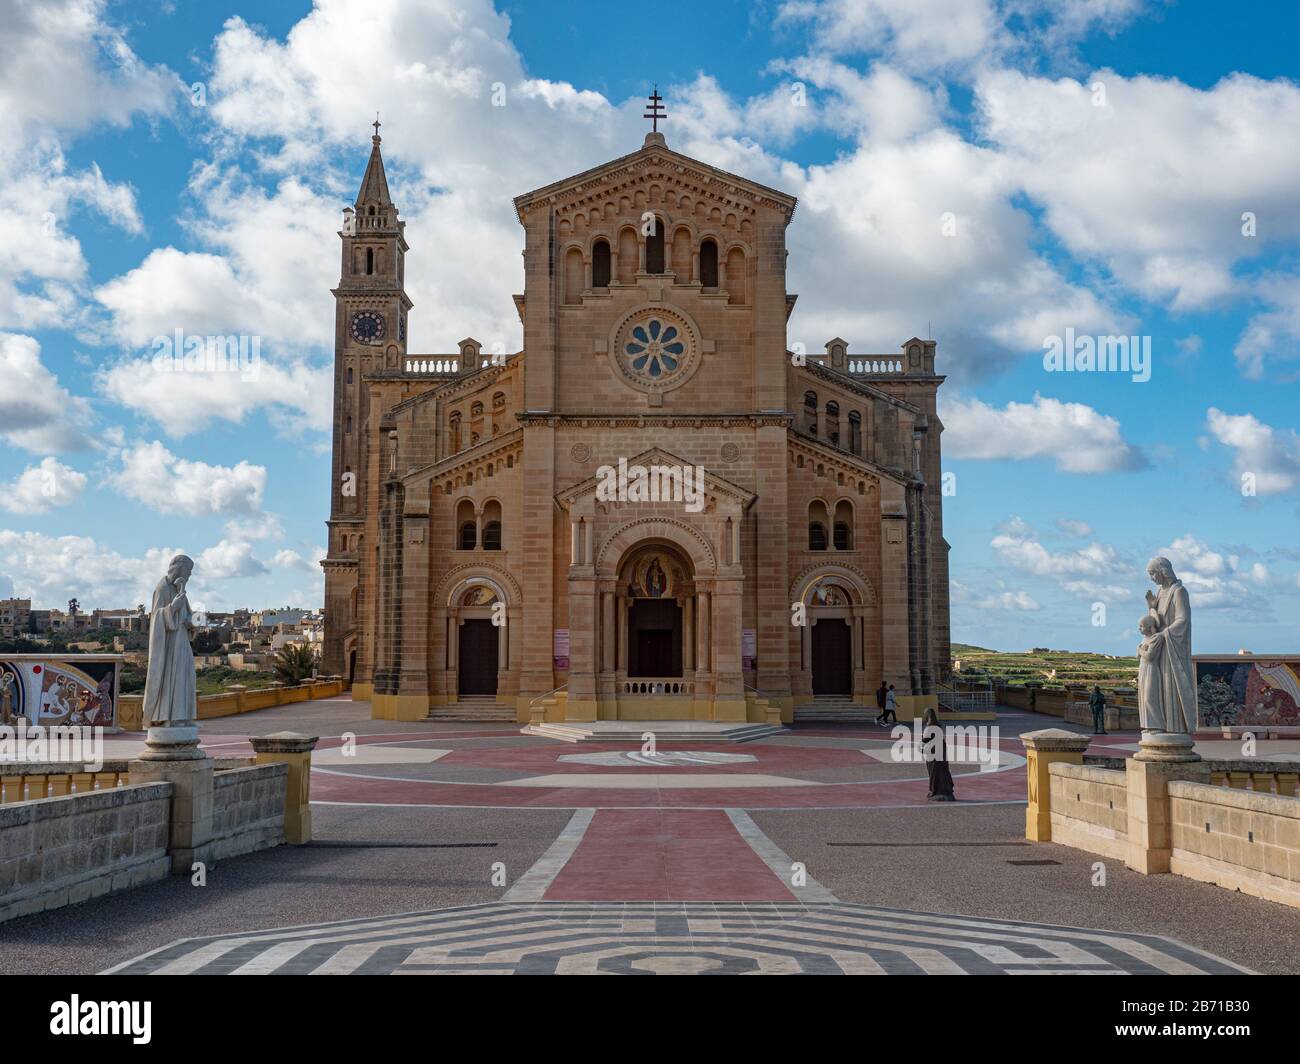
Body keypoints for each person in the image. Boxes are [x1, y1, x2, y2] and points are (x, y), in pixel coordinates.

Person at [922, 707, 955, 801]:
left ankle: (935, 791)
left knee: (934, 772)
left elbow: (924, 740)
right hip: (941, 751)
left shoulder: (929, 728)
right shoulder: (938, 726)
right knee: (943, 771)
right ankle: (945, 789)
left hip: (933, 753)